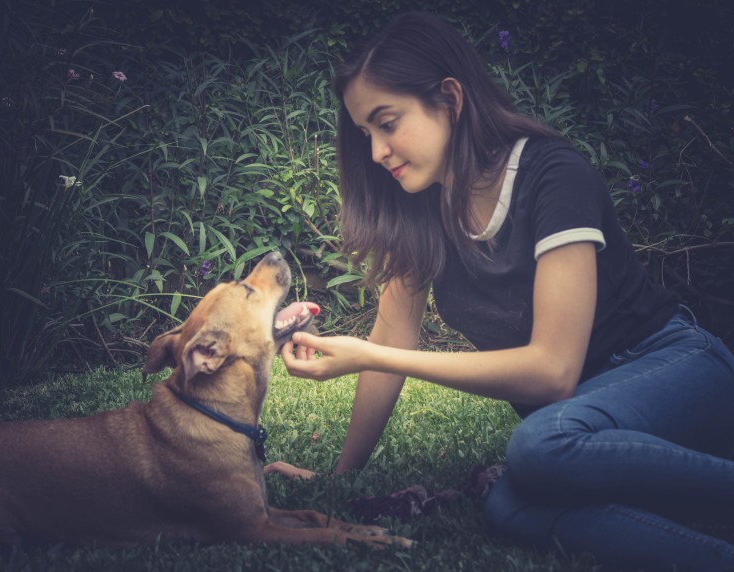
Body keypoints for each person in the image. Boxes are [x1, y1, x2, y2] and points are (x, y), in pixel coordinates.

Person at [268, 11, 734, 570]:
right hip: (579, 419)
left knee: (540, 446)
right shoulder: (419, 209)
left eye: (387, 123)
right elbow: (392, 332)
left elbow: (552, 372)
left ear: (450, 99)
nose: (376, 152)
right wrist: (342, 476)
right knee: (510, 507)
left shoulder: (553, 175)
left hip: (671, 366)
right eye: (366, 133)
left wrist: (366, 353)